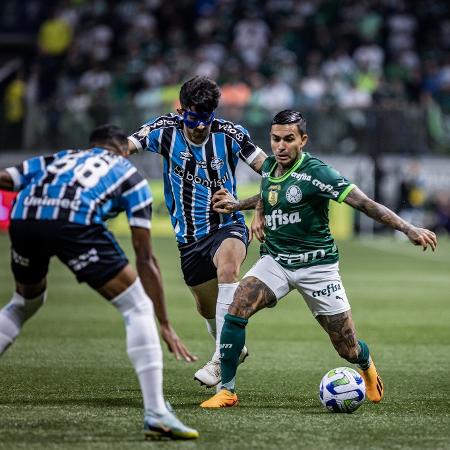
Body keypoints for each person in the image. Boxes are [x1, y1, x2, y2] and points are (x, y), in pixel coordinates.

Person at [201, 110, 437, 408]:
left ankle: (366, 367)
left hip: (317, 267)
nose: (280, 146)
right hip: (277, 261)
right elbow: (269, 193)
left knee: (346, 347)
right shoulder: (272, 167)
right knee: (237, 308)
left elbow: (363, 203)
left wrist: (408, 228)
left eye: (288, 139)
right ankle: (227, 390)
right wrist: (244, 206)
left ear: (303, 140)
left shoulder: (317, 172)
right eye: (275, 139)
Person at [0, 124, 199, 439]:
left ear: (91, 146)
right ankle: (157, 413)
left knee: (24, 303)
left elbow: (7, 178)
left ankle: (158, 412)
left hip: (24, 219)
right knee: (137, 307)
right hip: (74, 224)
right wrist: (164, 321)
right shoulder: (129, 175)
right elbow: (145, 258)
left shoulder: (61, 157)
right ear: (122, 149)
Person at [127, 76, 267, 387]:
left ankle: (220, 359)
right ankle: (232, 346)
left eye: (206, 118)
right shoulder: (164, 129)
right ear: (181, 111)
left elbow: (272, 171)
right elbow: (127, 146)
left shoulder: (230, 134)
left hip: (226, 225)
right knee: (207, 308)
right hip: (189, 240)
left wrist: (253, 206)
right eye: (193, 118)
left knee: (229, 269)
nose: (200, 126)